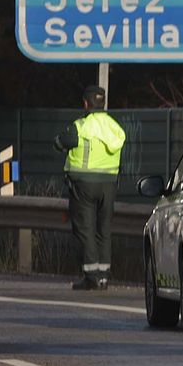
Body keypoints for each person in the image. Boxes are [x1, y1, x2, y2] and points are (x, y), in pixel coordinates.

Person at [54, 86, 125, 291]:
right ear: (102, 103)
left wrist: (57, 143)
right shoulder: (115, 127)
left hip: (84, 184)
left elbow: (63, 142)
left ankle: (91, 276)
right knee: (104, 229)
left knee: (85, 229)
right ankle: (103, 276)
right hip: (109, 184)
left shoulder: (81, 126)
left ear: (85, 103)